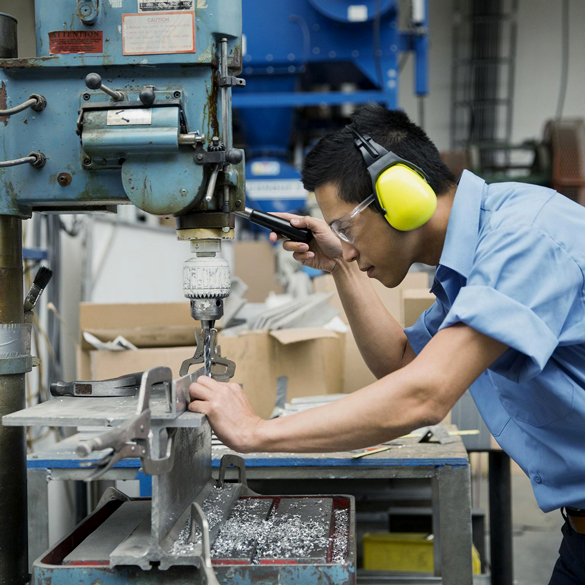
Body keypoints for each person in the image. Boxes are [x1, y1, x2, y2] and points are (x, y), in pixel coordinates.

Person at [189, 103, 585, 583]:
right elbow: (402, 365)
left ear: (403, 196)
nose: (347, 246)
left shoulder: (525, 238)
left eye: (346, 229)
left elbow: (425, 394)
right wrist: (340, 264)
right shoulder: (476, 259)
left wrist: (254, 433)